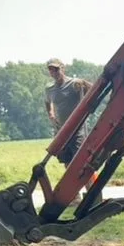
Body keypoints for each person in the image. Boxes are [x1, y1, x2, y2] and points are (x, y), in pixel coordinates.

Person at [44, 57, 100, 204]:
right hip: (61, 131)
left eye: (56, 69)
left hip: (78, 130)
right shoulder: (50, 89)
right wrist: (50, 113)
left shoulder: (74, 84)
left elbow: (94, 89)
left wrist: (84, 83)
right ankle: (74, 196)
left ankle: (93, 194)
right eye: (51, 70)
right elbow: (47, 101)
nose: (54, 72)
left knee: (82, 162)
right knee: (68, 162)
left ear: (63, 69)